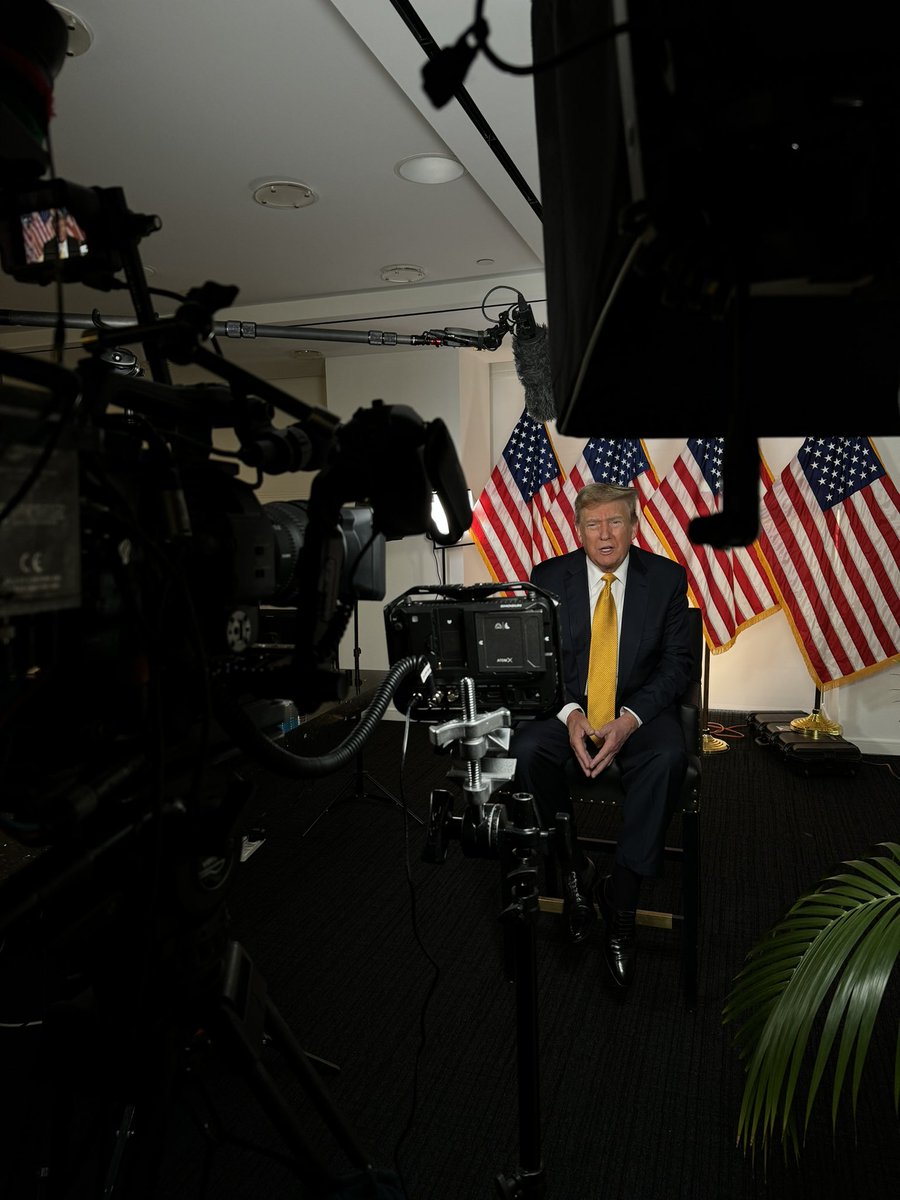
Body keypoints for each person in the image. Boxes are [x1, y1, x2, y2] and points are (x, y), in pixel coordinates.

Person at [510, 482, 693, 990]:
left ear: (634, 526)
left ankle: (621, 904)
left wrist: (630, 717)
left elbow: (678, 666)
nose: (605, 534)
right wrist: (569, 714)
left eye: (616, 522)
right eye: (594, 524)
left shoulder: (667, 579)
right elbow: (540, 664)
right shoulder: (547, 578)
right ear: (579, 530)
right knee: (525, 751)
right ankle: (573, 864)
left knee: (667, 759)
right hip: (568, 708)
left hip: (638, 710)